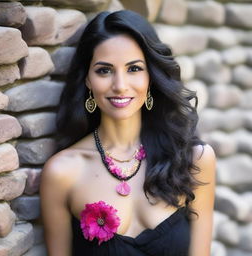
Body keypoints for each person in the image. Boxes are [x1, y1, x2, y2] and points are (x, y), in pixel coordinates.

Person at [40, 10, 216, 256]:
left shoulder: (194, 159)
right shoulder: (62, 173)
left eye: (134, 69)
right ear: (88, 80)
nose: (120, 85)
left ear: (151, 77)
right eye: (104, 70)